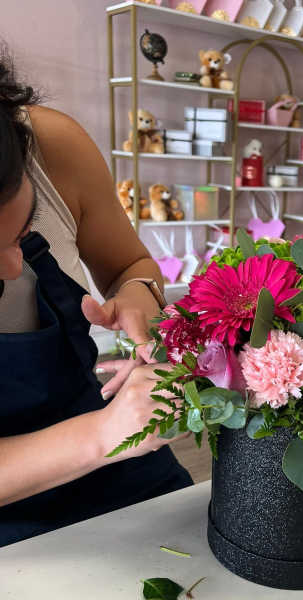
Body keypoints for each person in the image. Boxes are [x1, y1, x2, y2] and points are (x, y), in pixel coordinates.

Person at [0, 54, 193, 547]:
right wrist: (105, 434)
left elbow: (132, 264)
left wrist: (138, 295)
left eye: (22, 233)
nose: (14, 269)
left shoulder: (54, 147)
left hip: (119, 463)